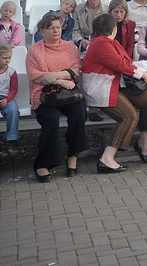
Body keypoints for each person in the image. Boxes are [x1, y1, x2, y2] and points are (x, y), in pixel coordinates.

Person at [80, 13, 147, 173]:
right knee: (129, 117)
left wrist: (141, 70)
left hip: (115, 85)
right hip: (101, 89)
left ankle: (143, 140)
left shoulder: (110, 42)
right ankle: (106, 159)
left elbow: (127, 61)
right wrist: (143, 74)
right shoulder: (100, 43)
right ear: (113, 28)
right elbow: (120, 64)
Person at [27, 13, 86, 182]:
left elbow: (76, 70)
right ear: (41, 31)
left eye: (58, 27)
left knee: (79, 112)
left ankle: (73, 154)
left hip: (68, 92)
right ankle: (44, 163)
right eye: (51, 28)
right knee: (51, 118)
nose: (55, 30)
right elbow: (35, 76)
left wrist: (55, 75)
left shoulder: (70, 47)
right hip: (44, 93)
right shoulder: (34, 50)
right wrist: (60, 80)